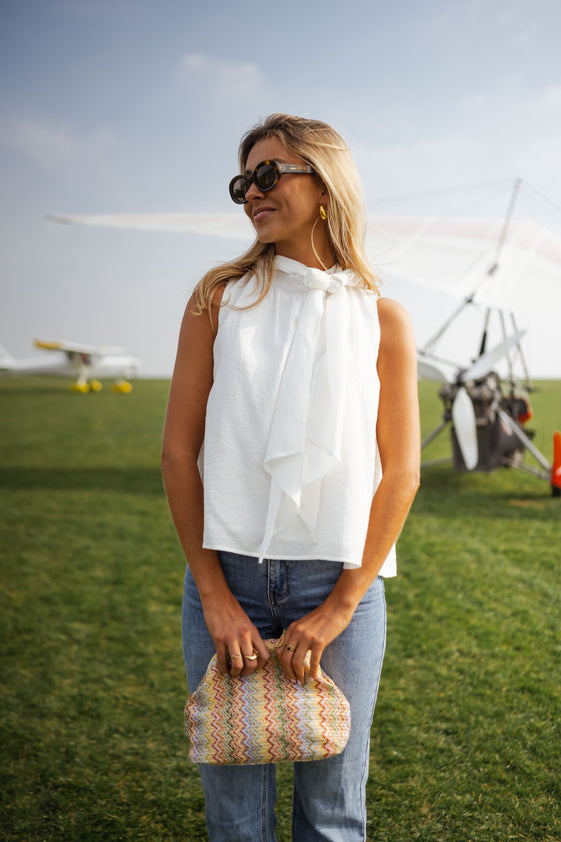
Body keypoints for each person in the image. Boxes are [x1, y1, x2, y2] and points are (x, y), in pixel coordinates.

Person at [161, 113, 420, 841]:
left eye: (269, 175)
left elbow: (401, 474)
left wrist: (340, 606)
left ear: (326, 185)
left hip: (340, 588)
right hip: (227, 581)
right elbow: (177, 454)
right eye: (243, 181)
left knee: (334, 816)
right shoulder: (218, 299)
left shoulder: (384, 320)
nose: (251, 192)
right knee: (235, 820)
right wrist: (215, 596)